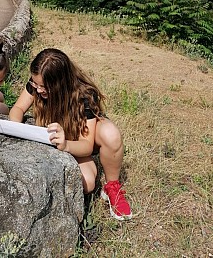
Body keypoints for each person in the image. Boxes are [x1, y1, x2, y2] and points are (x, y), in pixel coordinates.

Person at [9, 48, 132, 221]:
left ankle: (112, 187)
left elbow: (86, 146)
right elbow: (18, 108)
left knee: (108, 138)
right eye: (35, 84)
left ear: (60, 84)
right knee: (87, 181)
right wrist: (16, 127)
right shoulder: (37, 83)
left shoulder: (85, 96)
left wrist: (66, 145)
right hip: (55, 138)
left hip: (77, 141)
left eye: (43, 87)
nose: (37, 90)